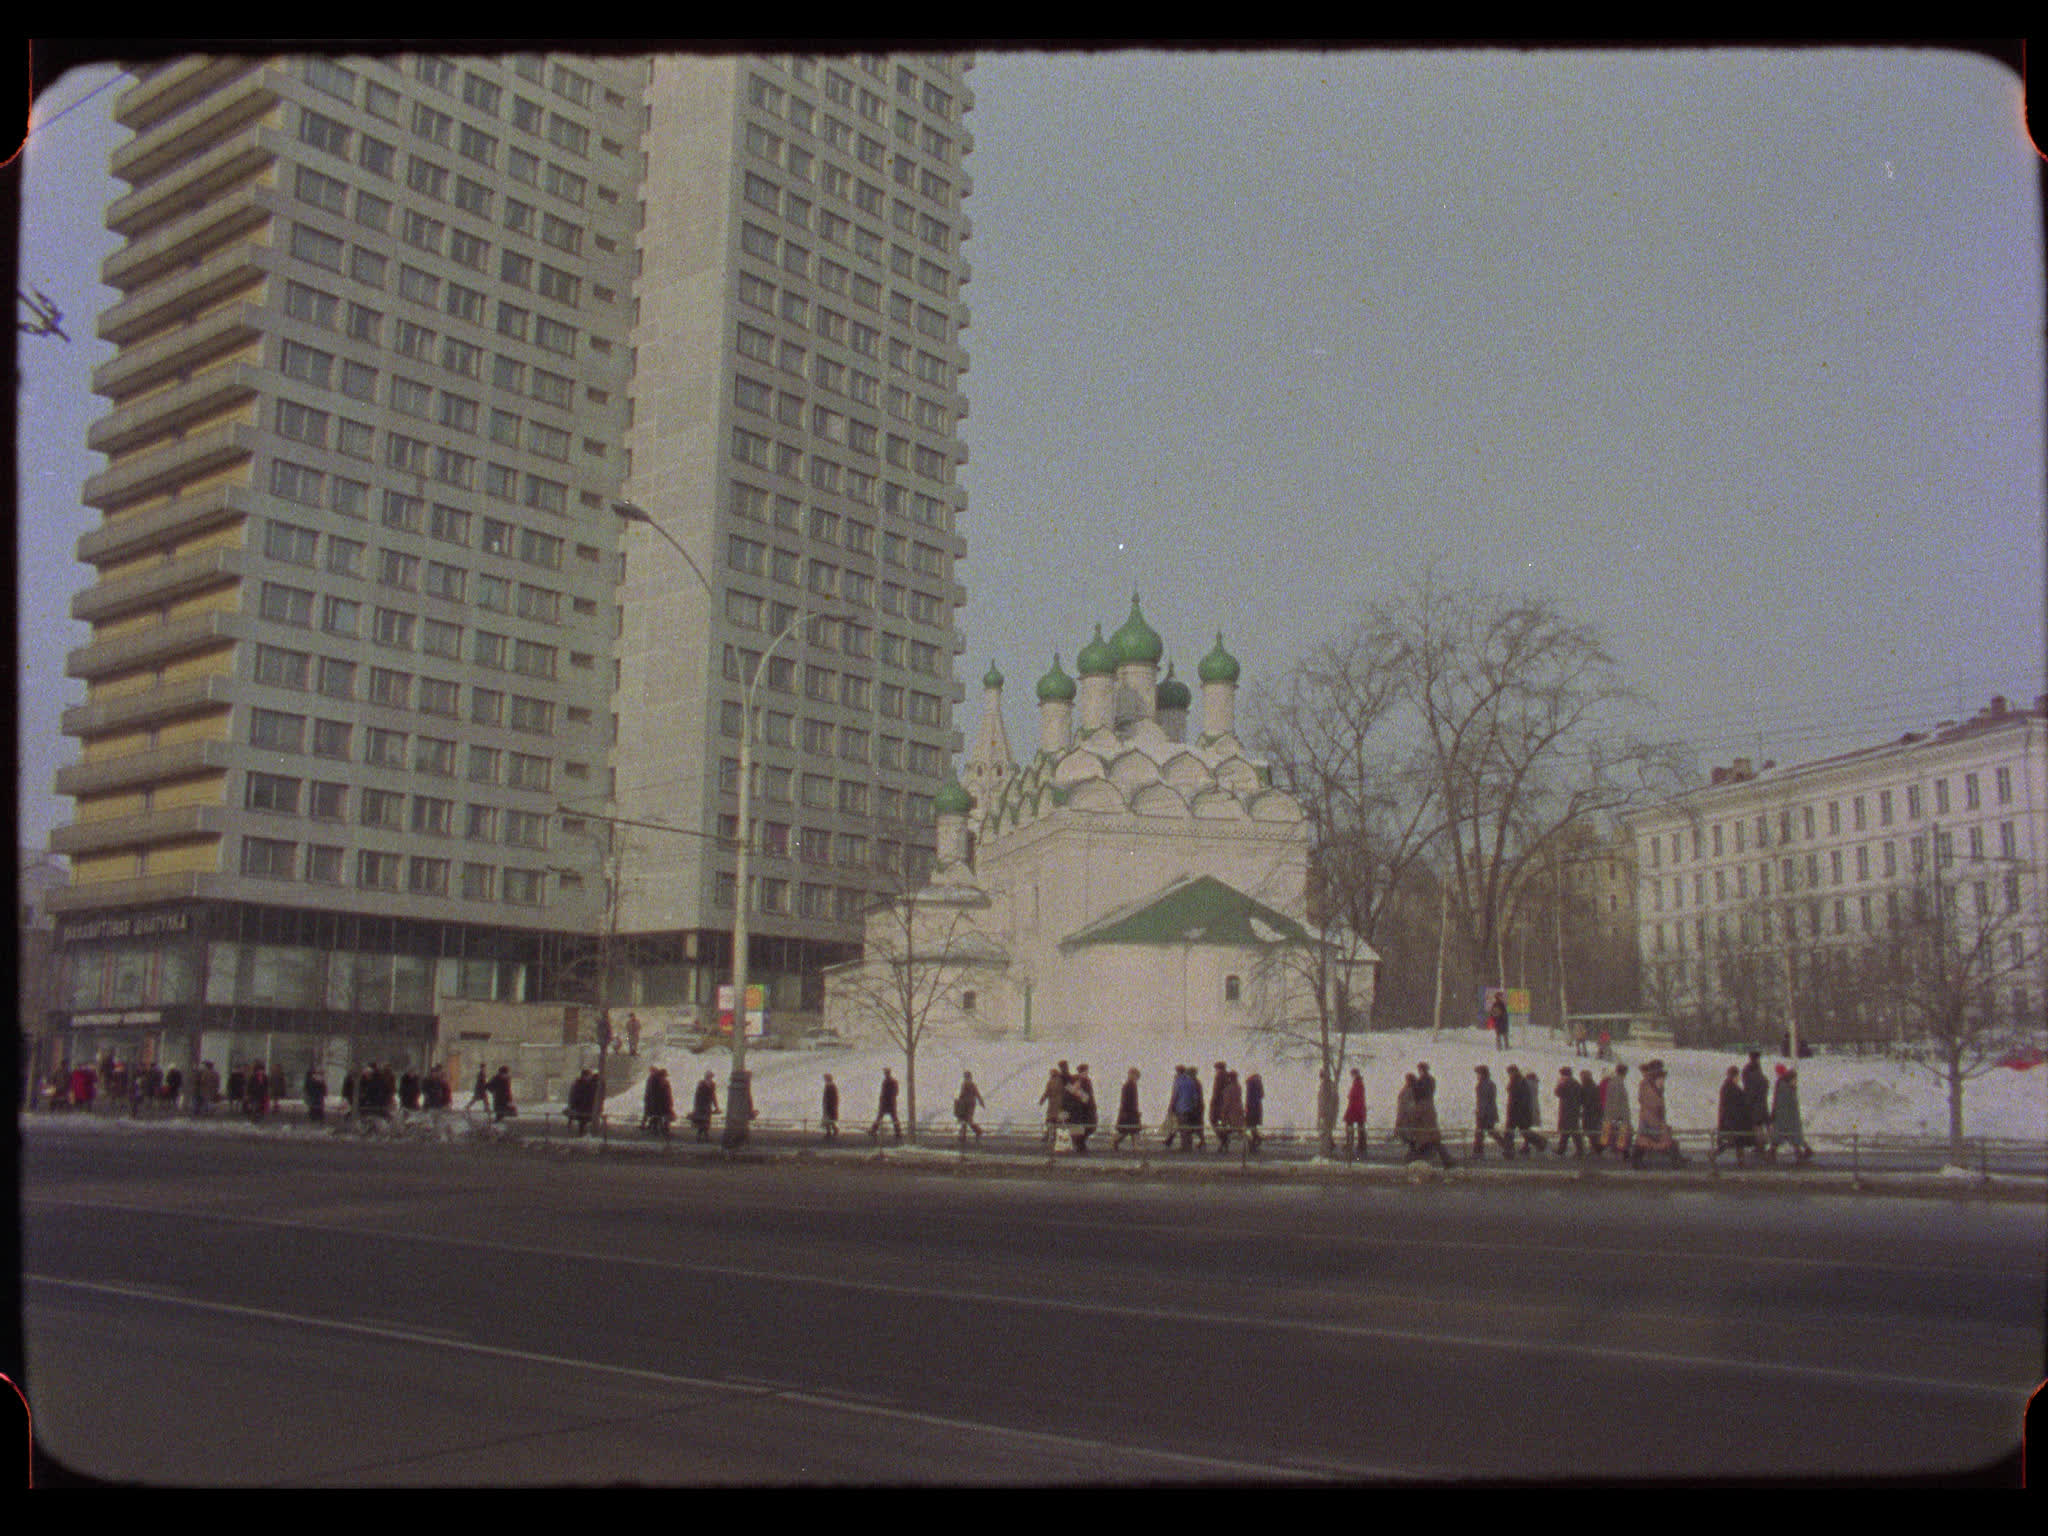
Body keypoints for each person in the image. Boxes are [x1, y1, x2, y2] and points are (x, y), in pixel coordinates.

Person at [1632, 1059, 1685, 1168]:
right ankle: (1675, 1159)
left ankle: (1675, 1158)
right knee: (1655, 1139)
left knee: (1647, 1140)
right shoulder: (1648, 1084)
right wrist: (1658, 1109)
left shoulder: (1649, 1083)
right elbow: (1650, 1101)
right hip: (1651, 1117)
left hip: (1651, 1117)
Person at [1407, 1062, 1455, 1168]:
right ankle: (1445, 1160)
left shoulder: (1422, 1082)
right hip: (1429, 1110)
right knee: (1431, 1139)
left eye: (1419, 1069)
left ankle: (1416, 1161)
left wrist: (1414, 1086)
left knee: (1426, 1138)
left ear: (1422, 1070)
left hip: (1424, 1111)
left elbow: (1419, 1094)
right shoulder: (1430, 1080)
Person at [1770, 1065, 1812, 1163]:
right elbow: (1786, 1104)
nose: (1796, 1081)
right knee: (1790, 1136)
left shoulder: (1786, 1087)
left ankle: (1800, 1152)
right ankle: (1802, 1152)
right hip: (1786, 1119)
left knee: (1785, 1136)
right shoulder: (1786, 1089)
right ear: (1790, 1079)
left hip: (1786, 1119)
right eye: (1795, 1079)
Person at [1712, 1065, 1751, 1167]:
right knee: (1736, 1141)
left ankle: (1740, 1160)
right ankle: (1740, 1161)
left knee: (1735, 1141)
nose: (1739, 1079)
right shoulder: (1732, 1088)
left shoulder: (1727, 1087)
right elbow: (1738, 1102)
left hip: (1729, 1119)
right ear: (1735, 1076)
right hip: (1732, 1120)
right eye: (1738, 1076)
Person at [1742, 1051, 1774, 1161]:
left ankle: (1761, 1146)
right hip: (1762, 1103)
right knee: (1762, 1125)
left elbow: (1749, 1089)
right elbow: (1765, 1084)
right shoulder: (1758, 1071)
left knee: (1757, 1126)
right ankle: (1766, 1145)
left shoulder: (1749, 1071)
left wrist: (1748, 1101)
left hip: (1756, 1104)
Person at [1472, 1065, 1507, 1158]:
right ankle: (1507, 1147)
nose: (1477, 1075)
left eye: (1478, 1073)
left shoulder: (1482, 1085)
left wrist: (1480, 1113)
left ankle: (1478, 1152)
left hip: (1485, 1113)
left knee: (1481, 1133)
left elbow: (1483, 1101)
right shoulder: (1490, 1083)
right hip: (1489, 1112)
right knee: (1489, 1132)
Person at [1599, 1061, 1632, 1157]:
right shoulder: (1618, 1083)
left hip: (1611, 1112)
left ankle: (1603, 1147)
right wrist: (1618, 1115)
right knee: (1622, 1132)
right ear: (1624, 1072)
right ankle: (1623, 1152)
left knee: (1609, 1131)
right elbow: (1617, 1100)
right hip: (1619, 1113)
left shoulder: (1613, 1081)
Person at [1554, 1066, 1587, 1157]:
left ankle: (1578, 1150)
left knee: (1572, 1130)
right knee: (1569, 1130)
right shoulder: (1575, 1083)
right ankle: (1562, 1148)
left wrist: (1559, 1084)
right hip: (1574, 1109)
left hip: (1567, 1110)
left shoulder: (1566, 1082)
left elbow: (1557, 1092)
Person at [1039, 1063, 1070, 1148]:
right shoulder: (1061, 1081)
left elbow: (1046, 1092)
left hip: (1052, 1104)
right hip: (1060, 1104)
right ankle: (1056, 1137)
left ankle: (1048, 1135)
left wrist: (1041, 1101)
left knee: (1050, 1120)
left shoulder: (1050, 1082)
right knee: (1058, 1122)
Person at [1069, 1064, 1098, 1153]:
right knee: (1086, 1127)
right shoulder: (1079, 1081)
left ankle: (1080, 1145)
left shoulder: (1084, 1081)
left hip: (1085, 1108)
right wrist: (1086, 1099)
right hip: (1083, 1109)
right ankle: (1080, 1145)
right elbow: (1075, 1093)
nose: (1087, 1072)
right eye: (1085, 1071)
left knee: (1088, 1127)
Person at [1114, 1068, 1145, 1150]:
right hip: (1130, 1112)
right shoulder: (1130, 1085)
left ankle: (1118, 1141)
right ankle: (1134, 1146)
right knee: (1131, 1130)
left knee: (1129, 1130)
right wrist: (1135, 1111)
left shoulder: (1128, 1085)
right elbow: (1129, 1100)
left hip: (1128, 1111)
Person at [868, 1067, 901, 1142]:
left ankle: (874, 1130)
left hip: (888, 1103)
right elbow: (895, 1092)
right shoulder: (890, 1081)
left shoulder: (889, 1081)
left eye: (885, 1072)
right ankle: (898, 1132)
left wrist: (884, 1100)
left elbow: (892, 1092)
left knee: (884, 1117)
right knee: (892, 1117)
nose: (885, 1074)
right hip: (889, 1103)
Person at [954, 1070, 986, 1144]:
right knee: (965, 1120)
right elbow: (976, 1094)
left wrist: (981, 1102)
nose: (966, 1078)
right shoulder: (968, 1084)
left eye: (967, 1077)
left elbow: (975, 1094)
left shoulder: (968, 1084)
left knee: (967, 1120)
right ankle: (963, 1136)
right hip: (967, 1104)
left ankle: (978, 1131)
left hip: (968, 1104)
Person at [643, 1067, 675, 1138]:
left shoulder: (654, 1081)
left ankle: (655, 1129)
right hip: (662, 1104)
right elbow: (666, 1094)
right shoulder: (663, 1082)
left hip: (656, 1103)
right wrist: (669, 1103)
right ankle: (663, 1129)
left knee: (657, 1117)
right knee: (664, 1116)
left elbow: (652, 1093)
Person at [1343, 1067, 1367, 1158]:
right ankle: (1360, 1145)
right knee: (1360, 1127)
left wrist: (1349, 1096)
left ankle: (1350, 1144)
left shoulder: (1357, 1083)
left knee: (1350, 1125)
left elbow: (1354, 1095)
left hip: (1355, 1108)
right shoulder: (1359, 1083)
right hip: (1359, 1108)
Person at [691, 1071, 721, 1142]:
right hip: (702, 1105)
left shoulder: (708, 1084)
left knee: (705, 1121)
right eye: (710, 1076)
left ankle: (702, 1137)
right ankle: (703, 1137)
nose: (710, 1078)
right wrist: (716, 1106)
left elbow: (712, 1096)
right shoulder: (703, 1084)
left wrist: (716, 1106)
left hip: (705, 1105)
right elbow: (699, 1095)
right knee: (703, 1121)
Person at [1317, 1068, 1340, 1156]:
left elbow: (1324, 1101)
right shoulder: (1329, 1085)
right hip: (1327, 1113)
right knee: (1326, 1132)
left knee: (1325, 1132)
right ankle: (1330, 1147)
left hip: (1327, 1113)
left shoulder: (1327, 1086)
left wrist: (1322, 1114)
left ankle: (1328, 1150)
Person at [1244, 1071, 1265, 1153]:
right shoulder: (1259, 1085)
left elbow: (1248, 1099)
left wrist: (1246, 1108)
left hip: (1251, 1109)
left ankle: (1253, 1144)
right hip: (1257, 1109)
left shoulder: (1250, 1084)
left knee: (1250, 1127)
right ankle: (1256, 1141)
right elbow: (1262, 1095)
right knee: (1253, 1127)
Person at [821, 1073, 840, 1140]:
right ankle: (832, 1131)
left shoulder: (830, 1086)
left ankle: (831, 1131)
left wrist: (826, 1104)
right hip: (830, 1105)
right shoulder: (831, 1086)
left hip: (829, 1105)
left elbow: (830, 1097)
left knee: (828, 1119)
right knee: (829, 1119)